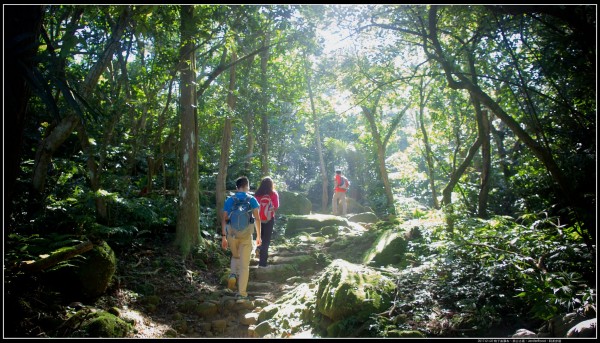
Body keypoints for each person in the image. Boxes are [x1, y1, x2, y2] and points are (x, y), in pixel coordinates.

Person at [221, 176, 262, 299]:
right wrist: (259, 236)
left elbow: (224, 218)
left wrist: (223, 237)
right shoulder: (252, 199)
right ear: (246, 186)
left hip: (232, 234)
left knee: (235, 256)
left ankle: (233, 274)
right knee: (245, 266)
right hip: (246, 235)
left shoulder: (230, 200)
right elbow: (257, 218)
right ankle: (242, 295)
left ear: (237, 187)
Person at [253, 176, 280, 268]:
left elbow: (253, 207)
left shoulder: (257, 194)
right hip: (269, 219)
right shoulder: (273, 194)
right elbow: (276, 206)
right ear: (271, 185)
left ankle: (258, 248)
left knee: (259, 237)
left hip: (258, 219)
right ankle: (262, 263)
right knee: (266, 240)